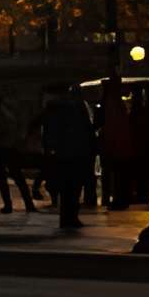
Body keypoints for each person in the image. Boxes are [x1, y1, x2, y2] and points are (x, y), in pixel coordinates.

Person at [38, 83, 98, 233]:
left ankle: (67, 217)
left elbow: (47, 133)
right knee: (74, 187)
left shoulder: (53, 111)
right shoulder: (77, 109)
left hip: (63, 153)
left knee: (67, 187)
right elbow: (86, 130)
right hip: (76, 152)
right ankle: (71, 216)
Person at [0, 90, 32, 214]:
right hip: (8, 148)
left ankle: (9, 205)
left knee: (4, 178)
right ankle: (28, 204)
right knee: (17, 176)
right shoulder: (8, 113)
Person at [103, 88, 145, 211]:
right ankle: (123, 198)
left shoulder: (116, 113)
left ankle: (120, 199)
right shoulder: (125, 114)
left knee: (119, 177)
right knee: (122, 177)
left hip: (119, 150)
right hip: (124, 149)